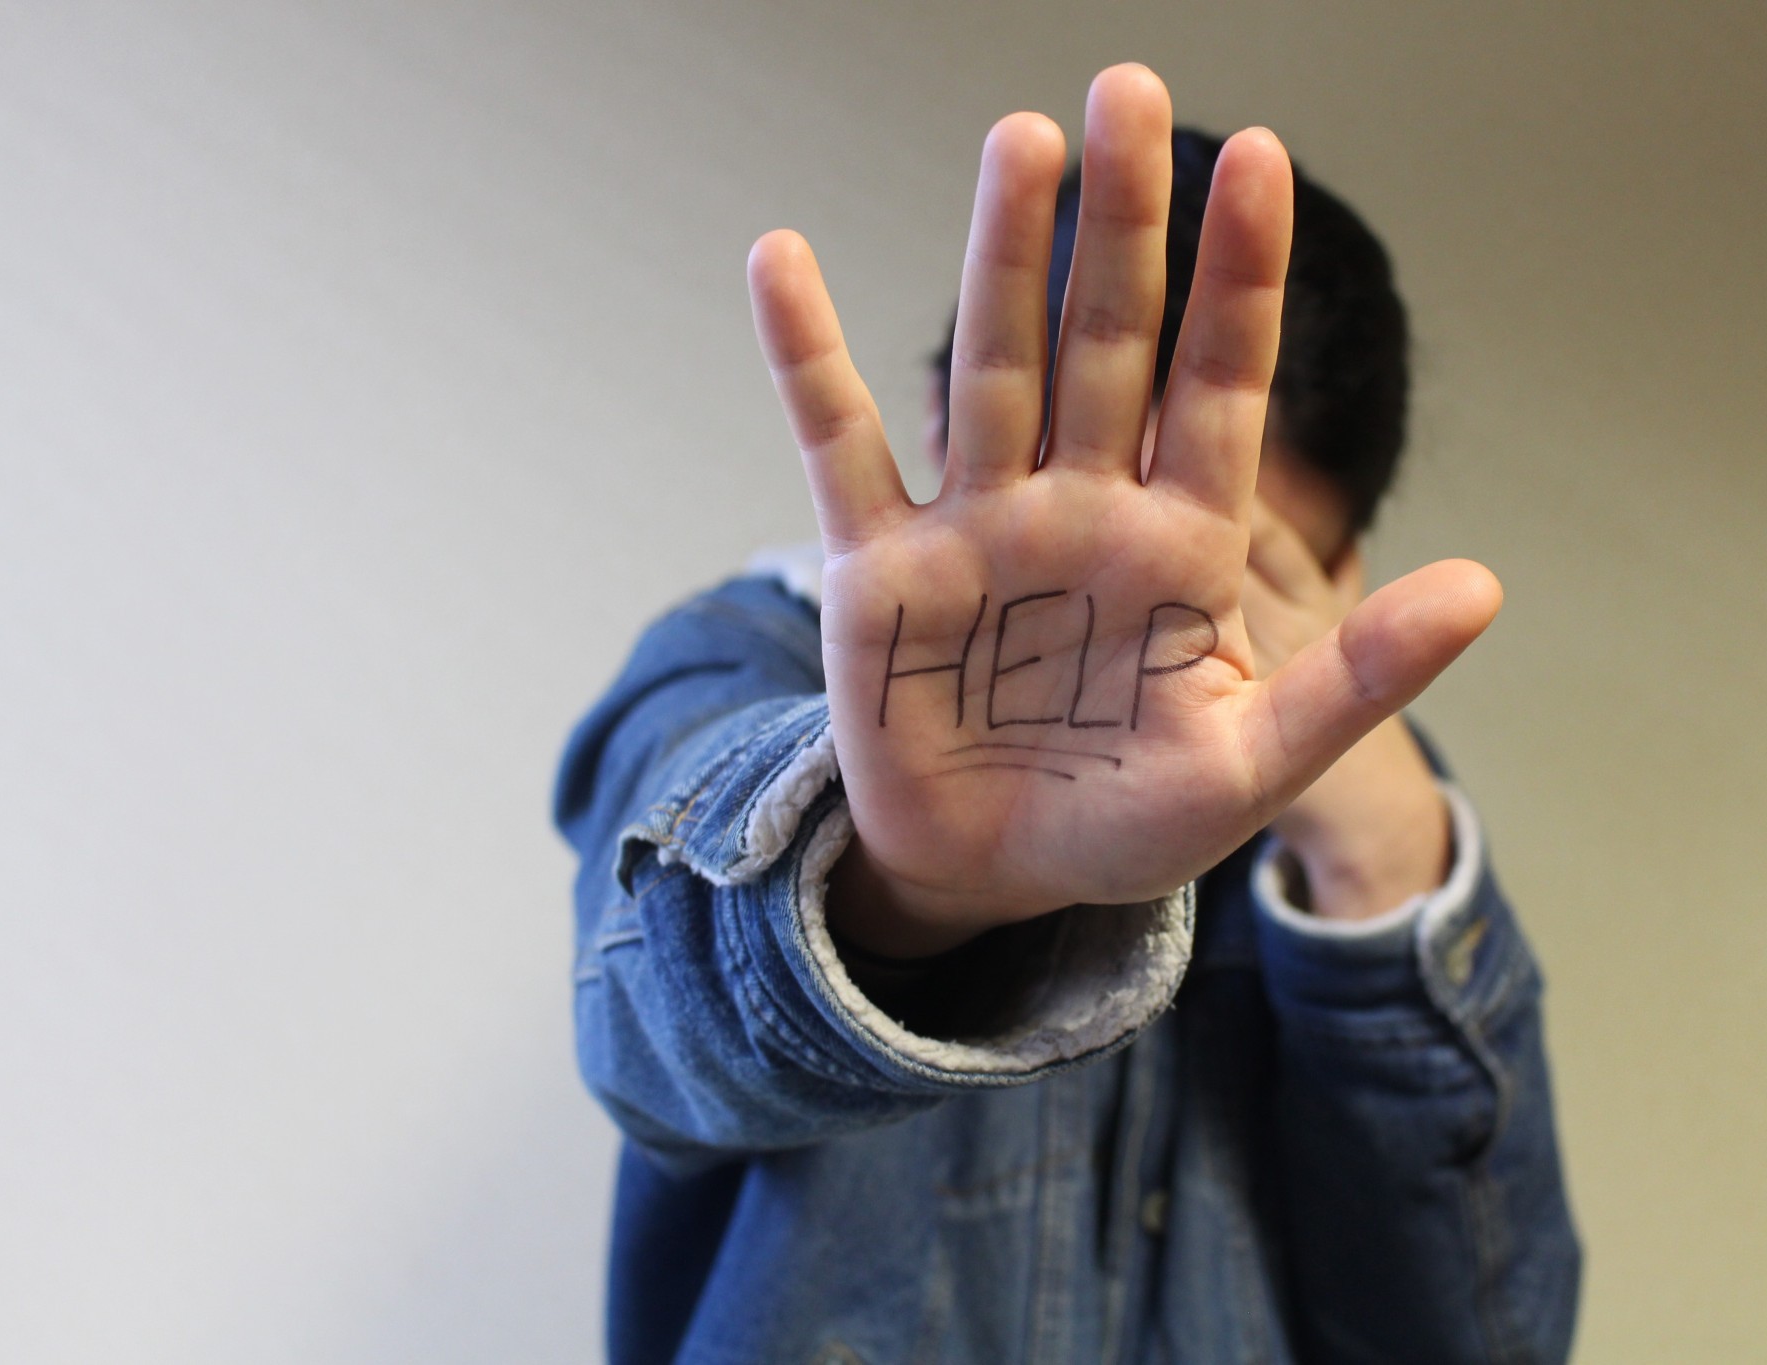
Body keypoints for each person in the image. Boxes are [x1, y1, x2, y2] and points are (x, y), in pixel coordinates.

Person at [555, 63, 1581, 1364]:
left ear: (1341, 577)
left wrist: (1381, 866)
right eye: (1081, 536)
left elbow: (1488, 1341)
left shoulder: (1361, 836)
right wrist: (900, 891)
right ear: (950, 426)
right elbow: (641, 1018)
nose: (1113, 653)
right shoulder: (740, 655)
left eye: (1232, 577)